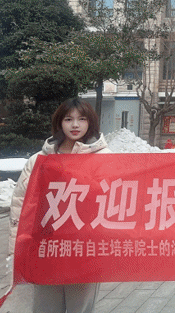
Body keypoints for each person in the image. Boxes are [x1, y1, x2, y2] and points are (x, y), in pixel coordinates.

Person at [12, 100, 109, 313]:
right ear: (59, 122)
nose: (75, 125)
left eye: (82, 119)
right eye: (68, 119)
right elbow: (21, 205)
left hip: (85, 249)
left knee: (80, 308)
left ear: (90, 123)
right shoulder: (39, 160)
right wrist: (16, 250)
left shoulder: (105, 158)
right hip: (46, 248)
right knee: (45, 308)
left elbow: (113, 199)